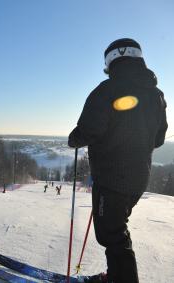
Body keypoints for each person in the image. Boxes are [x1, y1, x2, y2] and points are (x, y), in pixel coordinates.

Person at [68, 39, 167, 283]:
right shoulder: (156, 95)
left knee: (111, 234)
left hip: (111, 179)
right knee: (116, 229)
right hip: (138, 179)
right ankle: (116, 276)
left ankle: (121, 279)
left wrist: (74, 139)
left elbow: (89, 130)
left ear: (111, 61)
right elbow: (159, 139)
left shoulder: (106, 90)